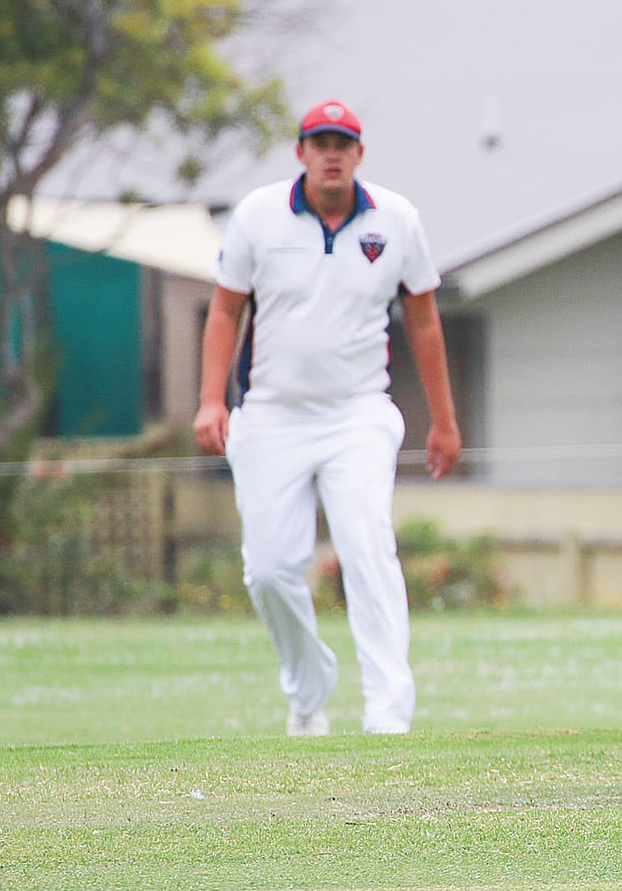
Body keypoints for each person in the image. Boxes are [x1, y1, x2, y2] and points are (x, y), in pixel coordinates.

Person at [193, 99, 461, 737]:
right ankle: (309, 689)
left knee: (367, 548)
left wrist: (445, 421)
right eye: (321, 144)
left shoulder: (396, 220)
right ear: (302, 153)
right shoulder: (258, 216)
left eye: (343, 144)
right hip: (270, 414)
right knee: (269, 569)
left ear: (359, 154)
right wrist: (210, 400)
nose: (332, 155)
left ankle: (388, 714)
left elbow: (424, 320)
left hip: (358, 414)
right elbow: (225, 311)